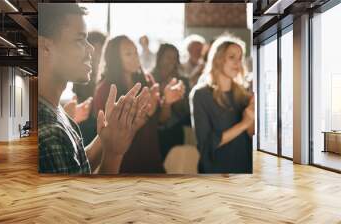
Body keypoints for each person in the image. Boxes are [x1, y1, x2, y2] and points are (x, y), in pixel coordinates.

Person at [38, 4, 151, 174]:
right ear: (45, 47)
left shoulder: (53, 108)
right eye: (79, 40)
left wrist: (110, 132)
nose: (90, 49)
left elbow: (79, 165)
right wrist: (113, 153)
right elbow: (84, 200)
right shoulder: (49, 134)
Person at [93, 35, 184, 173]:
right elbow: (110, 134)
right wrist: (148, 113)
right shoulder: (105, 89)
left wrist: (167, 102)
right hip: (121, 163)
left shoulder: (147, 80)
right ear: (115, 59)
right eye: (128, 54)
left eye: (135, 51)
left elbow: (162, 119)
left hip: (151, 158)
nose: (135, 56)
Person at [189, 34, 255, 174]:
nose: (238, 63)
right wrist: (244, 123)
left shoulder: (244, 95)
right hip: (216, 170)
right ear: (218, 59)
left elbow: (251, 136)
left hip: (245, 168)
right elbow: (206, 144)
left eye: (240, 58)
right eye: (232, 57)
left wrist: (252, 122)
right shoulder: (200, 95)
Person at [63, 31, 108, 146]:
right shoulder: (82, 74)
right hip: (85, 124)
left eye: (100, 50)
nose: (96, 54)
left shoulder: (108, 77)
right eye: (95, 49)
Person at [151, 43, 190, 160]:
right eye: (168, 57)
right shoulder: (150, 79)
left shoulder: (183, 81)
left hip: (175, 131)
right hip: (154, 133)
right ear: (160, 58)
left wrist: (176, 96)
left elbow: (185, 112)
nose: (171, 61)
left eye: (174, 58)